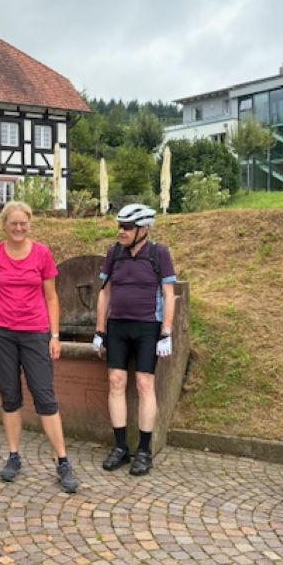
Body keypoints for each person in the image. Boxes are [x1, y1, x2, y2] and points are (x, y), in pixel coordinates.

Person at [0, 201, 79, 494]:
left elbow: (52, 298)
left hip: (35, 332)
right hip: (1, 332)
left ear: (29, 224)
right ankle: (13, 456)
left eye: (23, 223)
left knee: (44, 396)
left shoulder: (42, 253)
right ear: (4, 226)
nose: (19, 228)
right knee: (9, 396)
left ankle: (62, 461)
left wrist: (55, 336)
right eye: (13, 223)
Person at [94, 203, 176, 476]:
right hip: (118, 326)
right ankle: (120, 447)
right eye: (120, 226)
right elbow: (105, 293)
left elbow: (169, 295)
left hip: (147, 327)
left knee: (144, 383)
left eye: (127, 227)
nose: (121, 231)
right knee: (116, 381)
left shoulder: (158, 253)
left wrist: (166, 333)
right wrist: (99, 330)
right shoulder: (114, 253)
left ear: (143, 229)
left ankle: (143, 450)